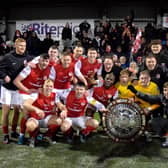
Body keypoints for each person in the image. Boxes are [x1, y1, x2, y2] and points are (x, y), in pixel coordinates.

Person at [0, 38, 32, 144]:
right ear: (15, 46)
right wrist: (4, 76)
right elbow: (0, 69)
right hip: (7, 89)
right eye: (20, 45)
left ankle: (13, 131)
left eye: (24, 45)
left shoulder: (28, 58)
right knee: (6, 111)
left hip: (18, 89)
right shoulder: (8, 57)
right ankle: (5, 134)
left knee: (17, 111)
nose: (23, 48)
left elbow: (38, 62)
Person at [13, 53, 51, 145]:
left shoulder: (49, 70)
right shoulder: (30, 68)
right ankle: (22, 135)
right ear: (39, 60)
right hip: (25, 93)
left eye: (46, 61)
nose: (44, 63)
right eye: (42, 60)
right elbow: (16, 81)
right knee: (26, 113)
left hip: (37, 94)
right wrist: (27, 90)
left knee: (37, 114)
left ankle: (35, 135)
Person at [23, 79, 67, 147]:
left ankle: (47, 136)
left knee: (59, 120)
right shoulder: (36, 94)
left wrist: (64, 110)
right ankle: (33, 137)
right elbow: (25, 104)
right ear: (43, 86)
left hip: (47, 119)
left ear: (53, 87)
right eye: (47, 86)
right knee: (30, 126)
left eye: (50, 86)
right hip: (35, 118)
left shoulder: (55, 95)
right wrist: (36, 109)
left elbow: (60, 105)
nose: (49, 88)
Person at [128, 82, 168, 147]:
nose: (166, 92)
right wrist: (135, 91)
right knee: (153, 121)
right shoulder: (162, 97)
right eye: (165, 90)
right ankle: (163, 136)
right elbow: (148, 97)